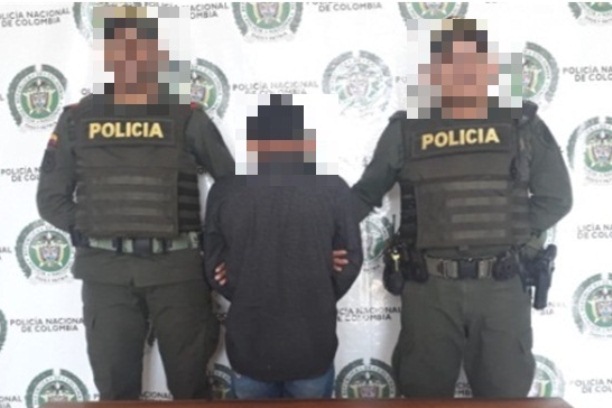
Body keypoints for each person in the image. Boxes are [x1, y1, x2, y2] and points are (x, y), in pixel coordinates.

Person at [350, 18, 572, 398]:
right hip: (429, 290)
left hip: (502, 288)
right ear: (435, 71)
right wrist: (315, 233)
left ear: (487, 68)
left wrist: (508, 229)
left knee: (505, 397)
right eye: (450, 62)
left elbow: (557, 198)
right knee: (423, 395)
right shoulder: (408, 129)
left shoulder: (521, 124)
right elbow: (363, 196)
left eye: (472, 62)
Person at [36, 10, 234, 400]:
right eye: (119, 49)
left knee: (191, 390)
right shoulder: (77, 120)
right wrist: (98, 223)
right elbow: (50, 200)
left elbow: (232, 191)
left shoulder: (185, 116)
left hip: (177, 273)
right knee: (116, 392)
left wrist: (220, 250)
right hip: (106, 276)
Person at [203, 94, 363, 399]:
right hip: (311, 345)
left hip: (250, 345)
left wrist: (243, 286)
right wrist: (320, 287)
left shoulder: (225, 190)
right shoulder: (333, 188)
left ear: (253, 143)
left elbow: (214, 266)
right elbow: (351, 260)